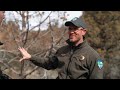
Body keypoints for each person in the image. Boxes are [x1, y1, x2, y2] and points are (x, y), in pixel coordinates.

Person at [18, 17, 103, 79]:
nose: (71, 32)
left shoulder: (93, 56)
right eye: (70, 29)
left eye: (75, 29)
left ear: (83, 32)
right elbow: (48, 63)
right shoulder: (62, 51)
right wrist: (31, 57)